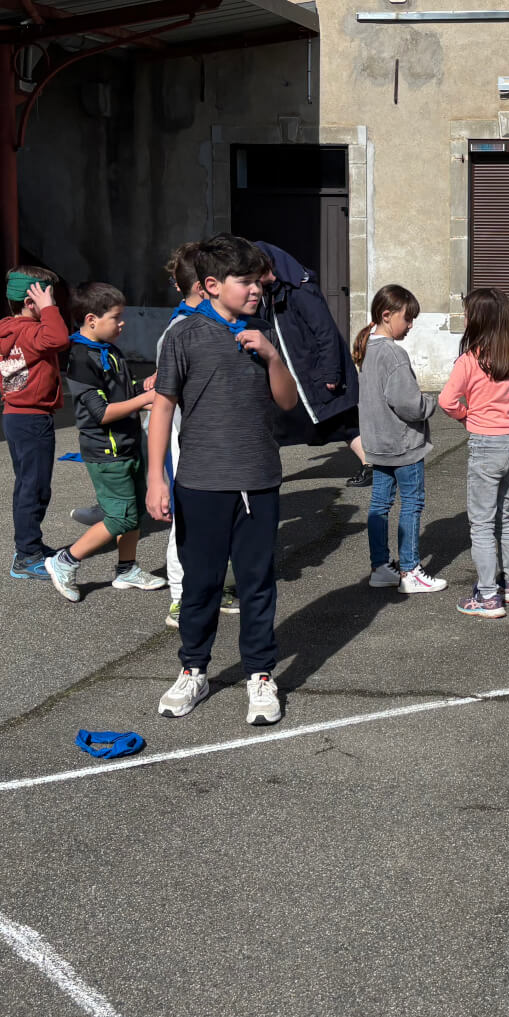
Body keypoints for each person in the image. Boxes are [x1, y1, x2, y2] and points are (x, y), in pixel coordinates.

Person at [147, 235, 300, 725]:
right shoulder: (184, 335)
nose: (256, 289)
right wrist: (155, 479)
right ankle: (193, 670)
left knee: (257, 584)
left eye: (259, 281)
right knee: (201, 585)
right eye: (246, 281)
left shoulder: (263, 331)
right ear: (212, 285)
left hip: (258, 481)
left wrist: (271, 355)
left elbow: (288, 402)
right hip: (200, 483)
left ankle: (260, 674)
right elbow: (162, 408)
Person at [44, 282, 164, 601]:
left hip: (128, 446)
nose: (122, 323)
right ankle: (64, 561)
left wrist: (147, 389)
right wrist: (146, 399)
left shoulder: (110, 350)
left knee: (134, 512)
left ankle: (127, 570)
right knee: (120, 517)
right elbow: (102, 413)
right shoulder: (82, 358)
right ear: (91, 319)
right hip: (107, 453)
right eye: (116, 317)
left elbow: (124, 393)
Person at [438, 287, 509, 618]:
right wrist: (505, 411)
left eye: (467, 314)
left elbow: (446, 401)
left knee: (480, 524)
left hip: (485, 445)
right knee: (503, 516)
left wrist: (468, 415)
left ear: (476, 320)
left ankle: (488, 596)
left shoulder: (469, 360)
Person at [254, 241, 372, 486]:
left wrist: (331, 372)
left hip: (313, 374)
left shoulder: (301, 290)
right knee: (271, 425)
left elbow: (325, 331)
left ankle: (371, 466)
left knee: (343, 422)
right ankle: (264, 474)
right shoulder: (269, 294)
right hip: (293, 375)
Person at [354, 284, 443, 594]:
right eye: (407, 318)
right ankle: (410, 570)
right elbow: (408, 404)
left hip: (377, 443)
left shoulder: (367, 348)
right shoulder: (393, 353)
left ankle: (380, 567)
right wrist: (430, 403)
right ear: (386, 315)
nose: (410, 325)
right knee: (412, 503)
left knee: (380, 504)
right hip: (403, 444)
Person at [0, 266, 69, 581]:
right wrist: (48, 309)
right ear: (30, 301)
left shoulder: (8, 330)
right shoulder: (31, 332)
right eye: (50, 298)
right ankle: (26, 556)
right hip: (32, 419)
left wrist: (45, 308)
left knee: (29, 485)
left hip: (15, 416)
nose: (55, 305)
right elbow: (59, 338)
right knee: (34, 489)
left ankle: (30, 544)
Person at [154, 242, 211, 630]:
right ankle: (179, 595)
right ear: (206, 286)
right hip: (183, 442)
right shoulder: (177, 331)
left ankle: (214, 584)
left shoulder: (220, 324)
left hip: (213, 446)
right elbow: (165, 402)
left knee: (218, 522)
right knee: (185, 521)